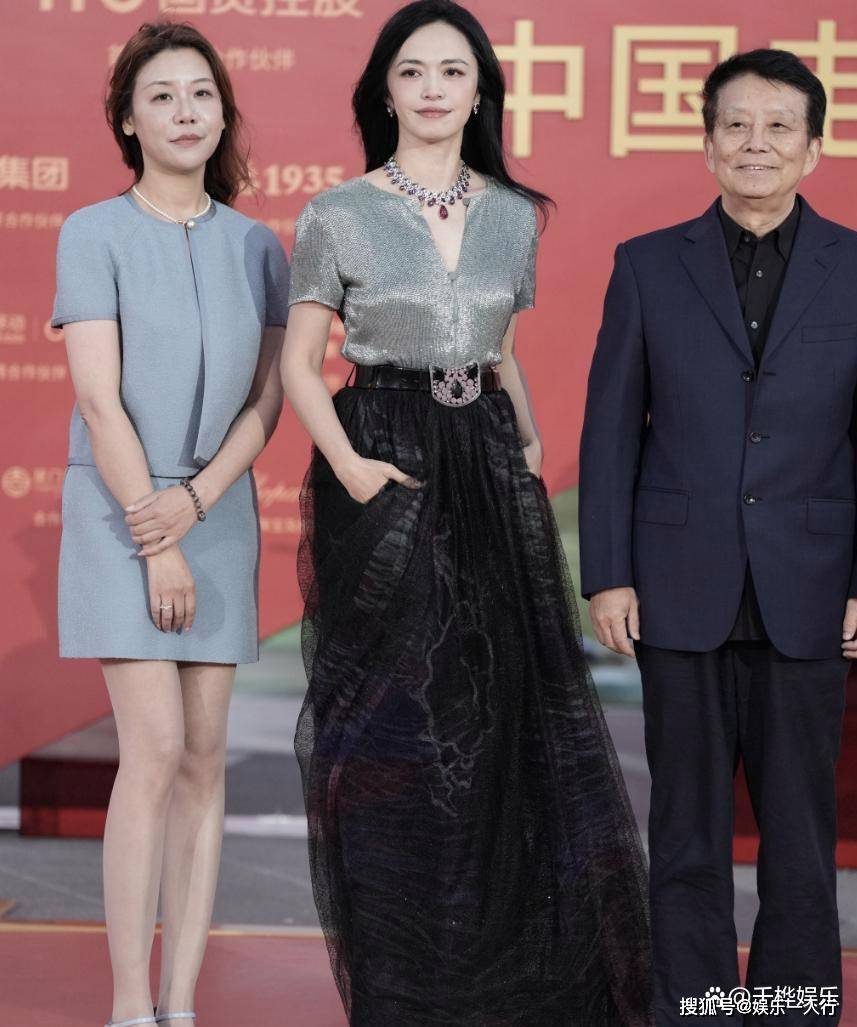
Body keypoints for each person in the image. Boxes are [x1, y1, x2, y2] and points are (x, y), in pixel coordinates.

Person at [281, 2, 654, 1024]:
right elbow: (300, 364)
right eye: (413, 71)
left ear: (480, 87)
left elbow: (499, 352)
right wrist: (351, 466)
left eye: (452, 70)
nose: (433, 88)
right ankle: (410, 985)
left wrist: (526, 443)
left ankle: (518, 978)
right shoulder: (337, 212)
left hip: (486, 456)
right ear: (384, 91)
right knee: (398, 723)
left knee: (508, 715)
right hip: (384, 453)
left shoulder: (511, 213)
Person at [580, 49, 854, 1027]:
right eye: (735, 125)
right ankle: (690, 1006)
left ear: (812, 149)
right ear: (705, 144)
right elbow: (610, 428)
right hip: (675, 583)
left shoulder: (853, 267)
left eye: (778, 127)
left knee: (798, 835)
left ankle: (789, 1011)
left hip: (810, 584)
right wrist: (606, 574)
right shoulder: (647, 264)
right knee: (685, 830)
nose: (755, 143)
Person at [51, 22, 288, 1027]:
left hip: (219, 507)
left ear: (223, 115)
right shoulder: (92, 232)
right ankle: (128, 1004)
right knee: (151, 747)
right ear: (127, 120)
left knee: (202, 755)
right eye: (161, 95)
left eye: (201, 94)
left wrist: (198, 504)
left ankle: (183, 1003)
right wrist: (160, 533)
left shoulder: (258, 245)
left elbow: (266, 402)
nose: (185, 111)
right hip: (121, 511)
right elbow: (99, 400)